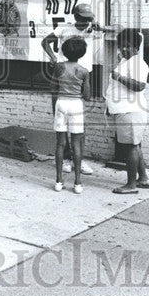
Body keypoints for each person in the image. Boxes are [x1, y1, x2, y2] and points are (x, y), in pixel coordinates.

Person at [42, 2, 105, 176]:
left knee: (79, 125)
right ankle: (66, 159)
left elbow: (118, 31)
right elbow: (45, 41)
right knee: (60, 121)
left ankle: (79, 160)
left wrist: (100, 25)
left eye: (88, 19)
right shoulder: (65, 29)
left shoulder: (92, 29)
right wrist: (53, 57)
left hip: (82, 76)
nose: (85, 22)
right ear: (75, 17)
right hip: (63, 75)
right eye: (83, 19)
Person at [105, 28, 149, 194]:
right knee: (135, 145)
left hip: (130, 110)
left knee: (130, 147)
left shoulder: (138, 63)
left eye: (128, 46)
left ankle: (131, 185)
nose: (124, 49)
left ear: (136, 47)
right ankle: (143, 178)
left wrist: (118, 77)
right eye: (121, 46)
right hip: (124, 109)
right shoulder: (125, 62)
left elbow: (139, 86)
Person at [51, 36, 91, 194]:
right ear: (82, 53)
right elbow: (87, 96)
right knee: (77, 144)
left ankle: (59, 181)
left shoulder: (59, 67)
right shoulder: (83, 71)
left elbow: (53, 88)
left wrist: (54, 107)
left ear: (65, 52)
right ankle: (78, 183)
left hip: (61, 103)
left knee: (60, 144)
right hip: (76, 105)